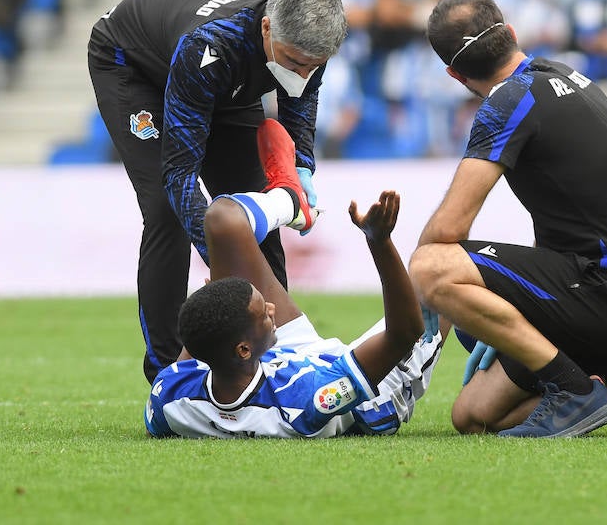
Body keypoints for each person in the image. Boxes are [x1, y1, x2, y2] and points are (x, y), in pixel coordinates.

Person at [408, 0, 607, 439]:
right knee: (472, 415)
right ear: (511, 34)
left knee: (431, 266)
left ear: (454, 74)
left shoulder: (507, 102)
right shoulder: (565, 74)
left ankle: (573, 390)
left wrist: (430, 296)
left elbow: (448, 231)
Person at [89, 0, 346, 382]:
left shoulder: (311, 31)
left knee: (256, 208)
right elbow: (179, 174)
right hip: (138, 68)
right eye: (294, 62)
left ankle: (273, 359)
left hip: (224, 80)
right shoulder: (209, 43)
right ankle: (168, 372)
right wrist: (224, 258)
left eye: (314, 65)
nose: (303, 73)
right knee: (166, 210)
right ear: (267, 27)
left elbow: (299, 101)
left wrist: (301, 169)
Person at [145, 120, 443, 439]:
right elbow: (405, 334)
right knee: (439, 275)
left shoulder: (171, 397)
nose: (272, 307)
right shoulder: (307, 402)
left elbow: (195, 348)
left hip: (272, 361)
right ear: (244, 349)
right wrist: (379, 242)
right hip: (365, 390)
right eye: (263, 313)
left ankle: (289, 199)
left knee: (221, 220)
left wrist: (212, 302)